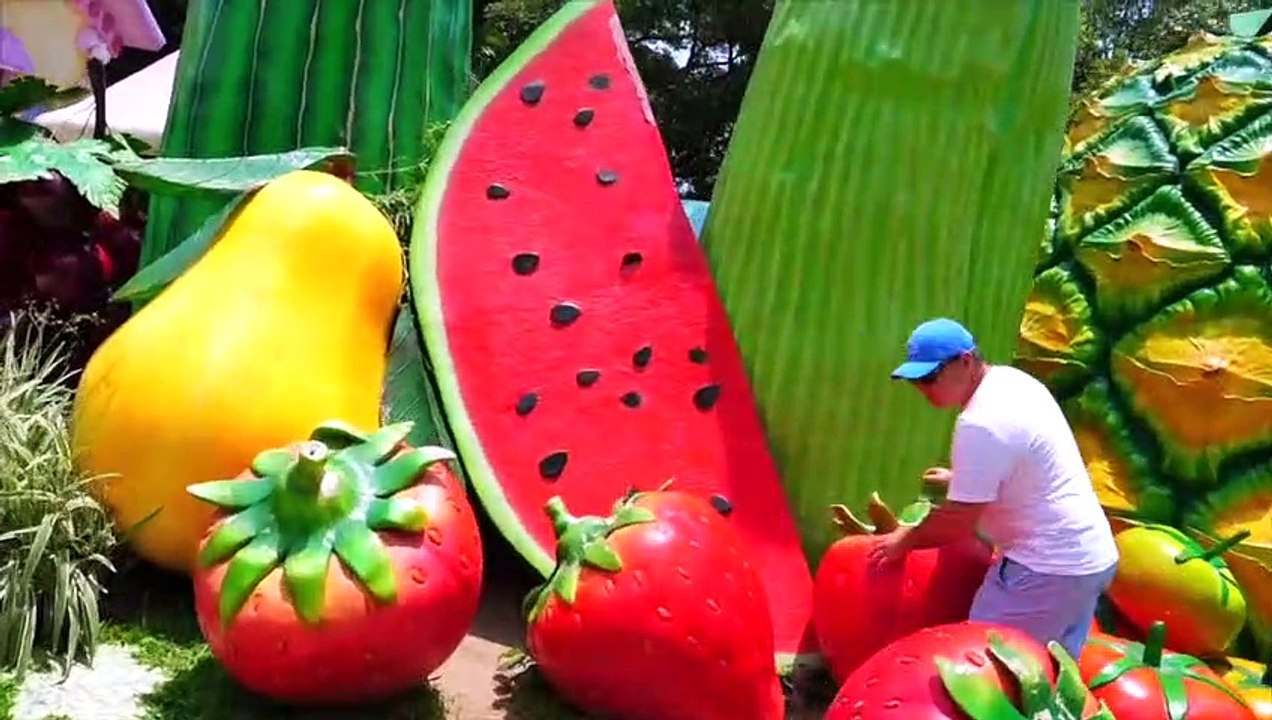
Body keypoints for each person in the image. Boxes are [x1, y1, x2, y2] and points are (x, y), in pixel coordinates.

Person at [867, 317, 1119, 659]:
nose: (923, 388)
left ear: (966, 361)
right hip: (1089, 559)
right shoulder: (1013, 382)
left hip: (1047, 570)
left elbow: (958, 523)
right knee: (1052, 679)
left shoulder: (980, 423)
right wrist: (964, 480)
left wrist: (905, 540)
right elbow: (1025, 461)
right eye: (916, 381)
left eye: (930, 377)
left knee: (985, 664)